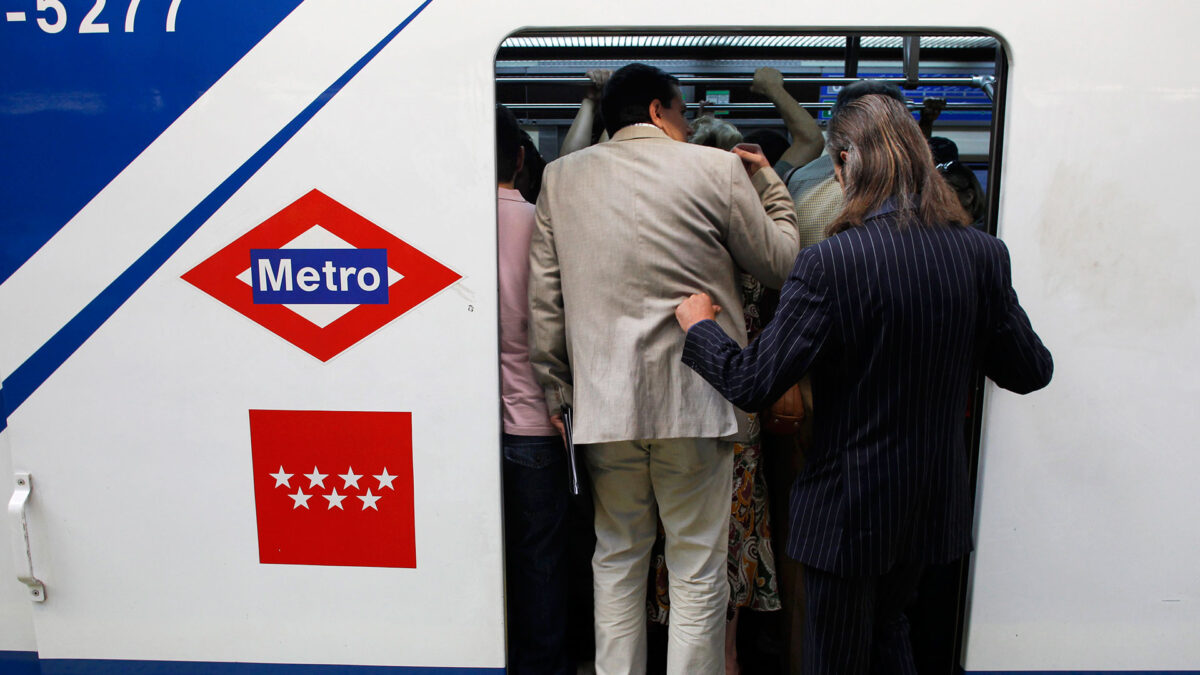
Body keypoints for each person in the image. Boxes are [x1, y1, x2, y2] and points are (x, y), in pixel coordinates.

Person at [674, 94, 1053, 673]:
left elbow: (751, 382)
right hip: (931, 505)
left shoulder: (832, 263)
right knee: (889, 630)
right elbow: (1030, 371)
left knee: (839, 654)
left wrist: (701, 327)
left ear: (847, 160)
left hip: (849, 511)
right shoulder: (982, 255)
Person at [528, 62, 799, 675]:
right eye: (681, 115)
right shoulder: (717, 168)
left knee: (617, 561)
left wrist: (556, 389)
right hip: (697, 405)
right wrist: (772, 186)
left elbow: (546, 301)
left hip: (605, 408)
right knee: (697, 569)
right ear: (658, 110)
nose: (685, 127)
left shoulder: (560, 180)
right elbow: (784, 262)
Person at [495, 104, 571, 675]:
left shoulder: (437, 231)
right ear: (522, 160)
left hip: (460, 430)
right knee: (542, 562)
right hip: (537, 426)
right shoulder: (546, 225)